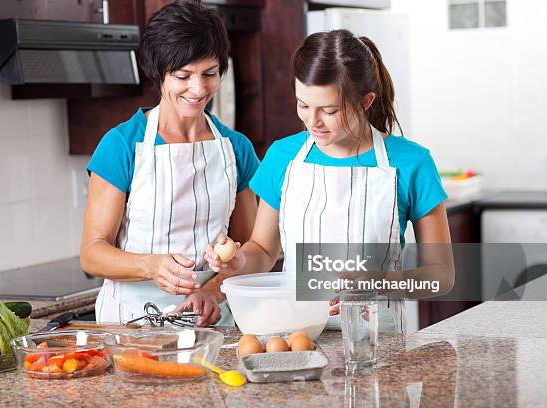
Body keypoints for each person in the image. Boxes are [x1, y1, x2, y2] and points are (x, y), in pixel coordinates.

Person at [205, 29, 452, 333]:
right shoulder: (283, 156)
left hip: (376, 346)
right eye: (303, 105)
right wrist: (238, 261)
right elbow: (264, 251)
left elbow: (441, 276)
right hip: (299, 336)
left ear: (365, 101)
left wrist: (379, 282)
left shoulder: (412, 162)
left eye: (330, 110)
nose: (312, 122)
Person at [81, 0, 259, 326]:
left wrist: (214, 291)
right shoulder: (122, 145)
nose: (199, 88)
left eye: (210, 74)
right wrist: (151, 266)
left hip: (212, 324)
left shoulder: (237, 149)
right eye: (183, 76)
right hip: (132, 326)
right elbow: (92, 252)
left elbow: (251, 249)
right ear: (158, 73)